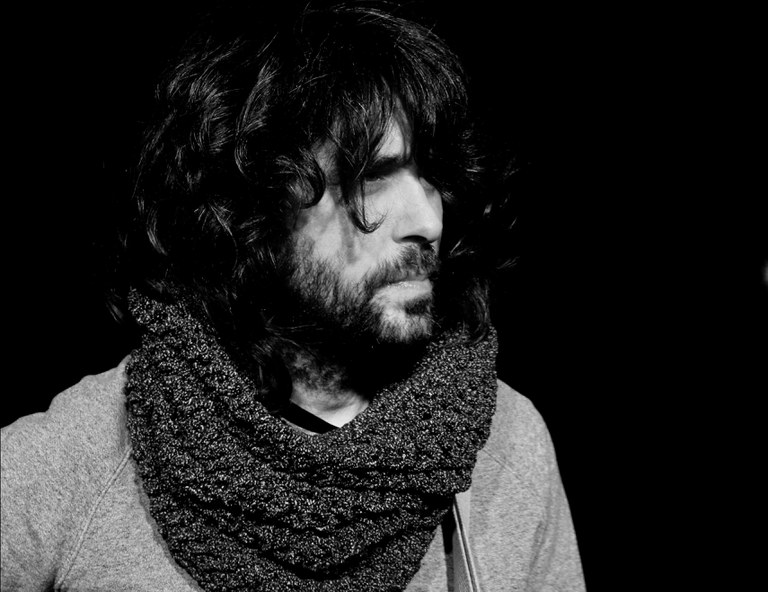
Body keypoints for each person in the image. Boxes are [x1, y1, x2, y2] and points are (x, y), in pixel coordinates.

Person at [0, 2, 585, 590]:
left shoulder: (507, 442)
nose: (427, 221)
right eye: (371, 174)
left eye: (429, 173)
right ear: (252, 204)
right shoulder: (82, 461)